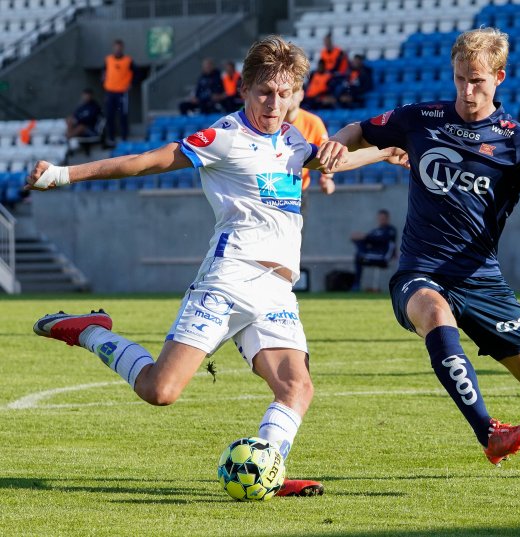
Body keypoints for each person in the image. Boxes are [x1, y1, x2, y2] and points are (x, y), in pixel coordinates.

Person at [25, 36, 405, 497]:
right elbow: (144, 162)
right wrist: (64, 174)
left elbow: (334, 162)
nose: (274, 103)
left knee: (296, 387)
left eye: (285, 94)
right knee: (160, 391)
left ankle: (267, 466)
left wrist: (388, 151)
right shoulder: (223, 138)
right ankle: (90, 331)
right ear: (244, 88)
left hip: (277, 291)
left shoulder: (292, 138)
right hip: (229, 280)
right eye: (265, 92)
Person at [328, 27, 520, 478]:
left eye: (477, 80)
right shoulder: (420, 117)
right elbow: (358, 131)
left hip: (481, 279)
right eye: (460, 77)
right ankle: (489, 433)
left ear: (499, 77)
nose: (466, 89)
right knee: (435, 316)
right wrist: (334, 148)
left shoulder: (517, 141)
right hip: (420, 271)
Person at [286, 85, 334, 194]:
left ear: (301, 95)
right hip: (270, 188)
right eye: (286, 92)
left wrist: (327, 178)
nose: (290, 96)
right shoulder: (271, 121)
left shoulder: (313, 122)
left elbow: (327, 154)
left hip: (298, 190)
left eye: (294, 91)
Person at [350, 209, 397, 292]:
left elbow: (380, 238)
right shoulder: (376, 230)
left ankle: (356, 284)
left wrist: (364, 236)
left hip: (383, 257)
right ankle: (356, 284)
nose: (381, 220)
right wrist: (358, 237)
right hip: (374, 254)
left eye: (383, 218)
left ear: (387, 218)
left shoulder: (390, 230)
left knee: (359, 255)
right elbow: (367, 238)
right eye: (380, 218)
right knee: (359, 247)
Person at [102, 39, 134, 146]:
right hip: (110, 92)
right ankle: (111, 138)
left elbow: (137, 73)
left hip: (122, 93)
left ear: (122, 48)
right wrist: (103, 78)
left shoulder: (128, 60)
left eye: (119, 48)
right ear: (113, 48)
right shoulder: (108, 59)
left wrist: (131, 83)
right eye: (115, 47)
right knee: (109, 116)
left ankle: (124, 138)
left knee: (122, 116)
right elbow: (104, 71)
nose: (117, 50)